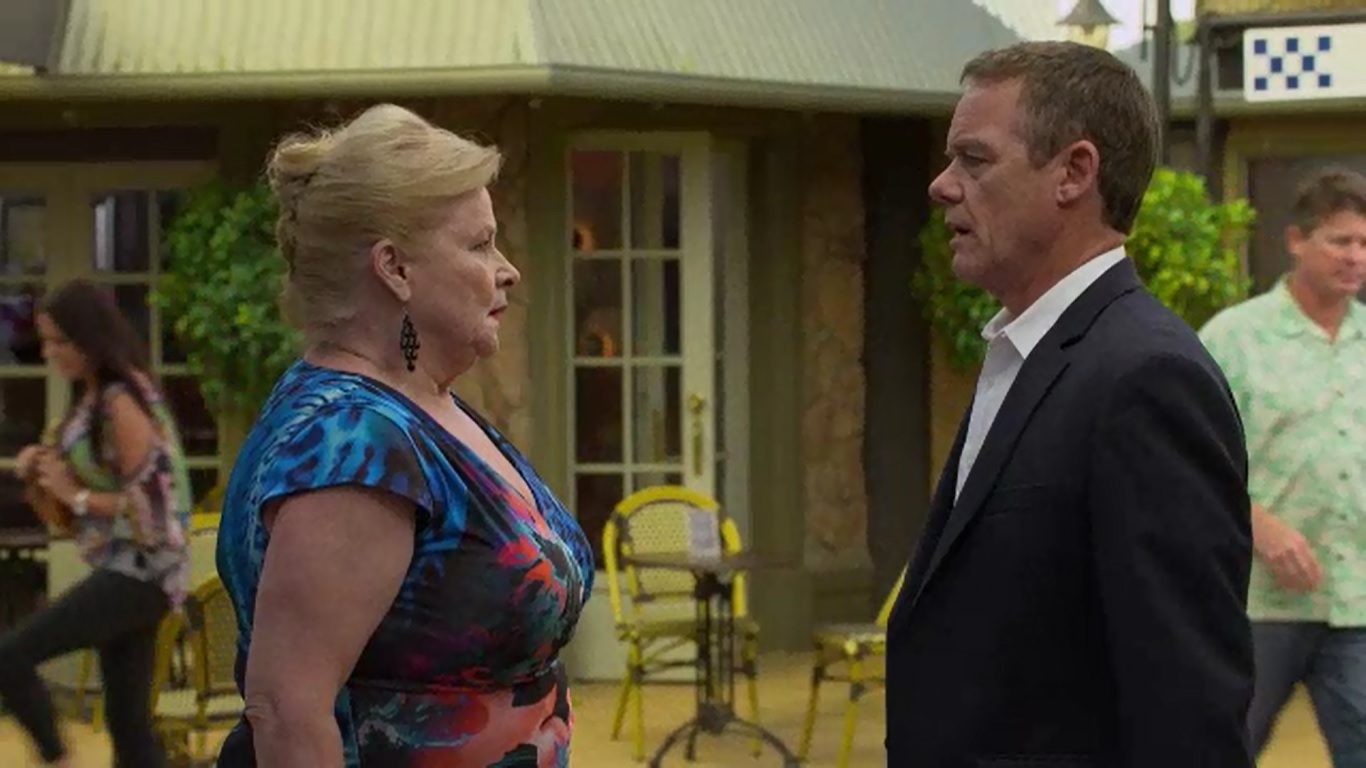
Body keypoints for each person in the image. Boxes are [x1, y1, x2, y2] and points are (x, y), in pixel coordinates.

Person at [884, 41, 1256, 766]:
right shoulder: (1029, 353)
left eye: (974, 159)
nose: (941, 185)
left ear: (1074, 172)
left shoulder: (1146, 377)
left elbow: (1188, 705)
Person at [214, 103, 595, 767]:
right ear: (394, 268)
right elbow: (288, 712)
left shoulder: (419, 405)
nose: (507, 269)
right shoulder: (353, 445)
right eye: (479, 244)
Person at [1198, 167, 1366, 763]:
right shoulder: (1234, 339)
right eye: (1340, 240)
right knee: (1219, 749)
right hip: (1255, 605)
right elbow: (1184, 463)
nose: (1356, 256)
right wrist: (1259, 525)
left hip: (1353, 599)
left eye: (1364, 243)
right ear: (1296, 240)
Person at [1, 278, 192, 768]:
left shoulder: (120, 401)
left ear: (89, 337)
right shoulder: (92, 400)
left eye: (60, 342)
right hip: (125, 568)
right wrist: (41, 470)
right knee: (129, 729)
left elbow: (149, 506)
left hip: (144, 571)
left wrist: (73, 493)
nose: (49, 353)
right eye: (45, 342)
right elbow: (79, 495)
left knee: (11, 655)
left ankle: (58, 757)